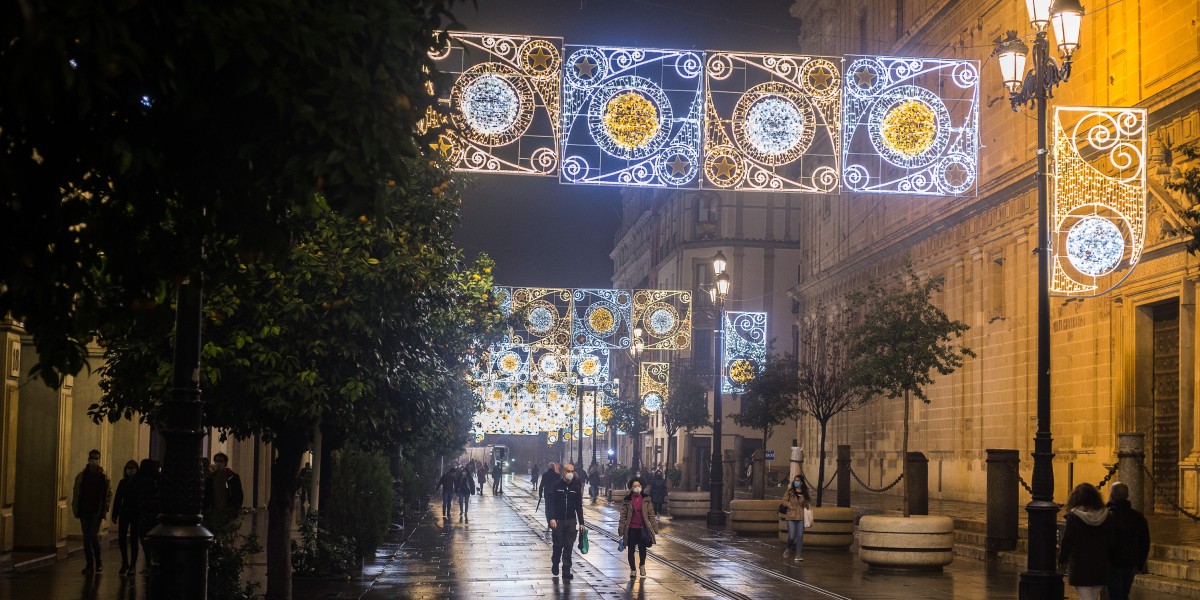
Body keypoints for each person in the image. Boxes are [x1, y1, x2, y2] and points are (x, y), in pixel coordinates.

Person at [1059, 483, 1116, 600]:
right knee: (1093, 597)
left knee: (1086, 597)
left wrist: (1062, 559)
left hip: (1080, 566)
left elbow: (1067, 541)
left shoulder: (1074, 517)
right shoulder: (1107, 516)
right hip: (1100, 564)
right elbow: (1111, 541)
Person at [1106, 482, 1151, 600]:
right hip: (1131, 562)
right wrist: (1140, 564)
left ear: (1112, 495)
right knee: (1124, 594)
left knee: (1115, 595)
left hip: (1114, 563)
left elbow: (1107, 541)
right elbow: (1145, 541)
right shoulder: (1138, 516)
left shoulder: (1109, 516)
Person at [71, 449, 112, 575]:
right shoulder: (82, 476)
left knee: (93, 536)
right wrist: (76, 508)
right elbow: (76, 493)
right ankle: (90, 564)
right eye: (92, 458)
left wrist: (105, 507)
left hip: (96, 511)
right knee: (86, 538)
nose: (94, 460)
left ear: (99, 460)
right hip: (84, 510)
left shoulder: (103, 477)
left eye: (96, 458)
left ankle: (98, 562)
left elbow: (108, 494)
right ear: (88, 459)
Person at [546, 462, 585, 580]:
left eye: (572, 471)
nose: (570, 474)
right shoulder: (556, 485)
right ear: (563, 472)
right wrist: (551, 518)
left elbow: (579, 505)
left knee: (568, 545)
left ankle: (566, 570)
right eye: (568, 471)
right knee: (558, 545)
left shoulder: (576, 487)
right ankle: (555, 562)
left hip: (571, 520)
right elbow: (550, 503)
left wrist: (582, 522)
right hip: (558, 521)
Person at [618, 476, 658, 578]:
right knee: (631, 549)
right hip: (631, 529)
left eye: (638, 485)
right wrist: (621, 529)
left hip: (642, 529)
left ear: (642, 486)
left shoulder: (646, 499)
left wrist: (654, 527)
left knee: (642, 549)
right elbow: (623, 516)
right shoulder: (627, 500)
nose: (637, 487)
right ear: (631, 488)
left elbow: (651, 514)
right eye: (634, 486)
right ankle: (633, 569)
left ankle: (642, 565)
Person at [111, 460, 140, 575]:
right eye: (128, 468)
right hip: (125, 512)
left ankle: (133, 565)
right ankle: (125, 562)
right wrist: (115, 514)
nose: (130, 470)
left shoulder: (139, 483)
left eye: (132, 468)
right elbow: (118, 499)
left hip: (136, 513)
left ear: (136, 469)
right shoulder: (123, 482)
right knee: (122, 538)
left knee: (134, 539)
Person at [133, 459, 160, 574]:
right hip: (153, 514)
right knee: (153, 540)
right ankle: (153, 562)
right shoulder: (156, 479)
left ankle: (149, 562)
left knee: (144, 540)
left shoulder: (138, 478)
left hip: (142, 513)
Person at [203, 452, 245, 519]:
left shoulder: (233, 477)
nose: (218, 463)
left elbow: (239, 495)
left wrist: (234, 510)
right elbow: (206, 495)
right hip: (213, 513)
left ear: (225, 463)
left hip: (228, 512)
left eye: (220, 461)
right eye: (216, 461)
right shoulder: (210, 478)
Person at [780, 475, 811, 560]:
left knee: (800, 536)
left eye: (798, 480)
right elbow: (784, 501)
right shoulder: (790, 491)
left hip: (801, 517)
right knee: (792, 536)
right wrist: (789, 505)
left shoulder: (805, 492)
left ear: (801, 482)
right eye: (795, 480)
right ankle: (788, 548)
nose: (796, 482)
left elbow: (807, 505)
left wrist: (805, 503)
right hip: (791, 516)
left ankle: (798, 555)